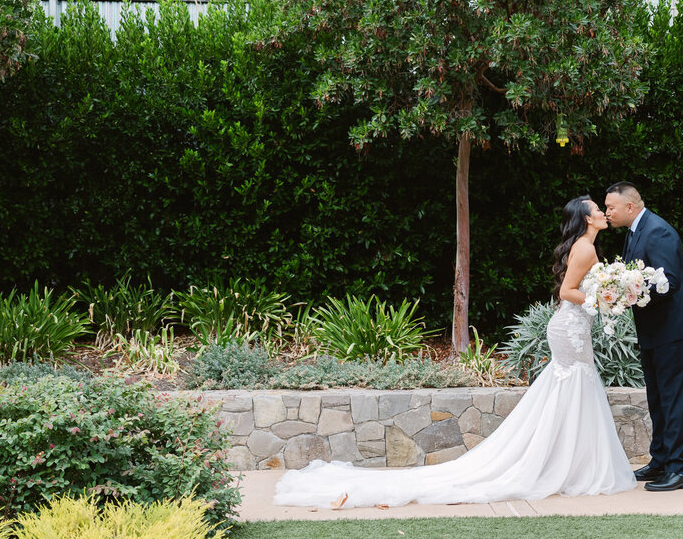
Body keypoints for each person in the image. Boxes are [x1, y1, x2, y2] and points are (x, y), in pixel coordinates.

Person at [272, 195, 636, 508]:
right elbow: (567, 292)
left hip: (574, 329)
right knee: (573, 386)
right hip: (570, 329)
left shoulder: (589, 246)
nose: (604, 213)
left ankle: (566, 462)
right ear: (587, 217)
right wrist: (603, 298)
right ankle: (564, 465)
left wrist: (605, 297)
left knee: (572, 390)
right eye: (598, 209)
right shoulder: (585, 247)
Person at [604, 180, 683, 492]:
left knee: (671, 399)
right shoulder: (635, 231)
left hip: (672, 329)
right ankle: (660, 460)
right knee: (657, 398)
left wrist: (629, 292)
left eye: (611, 207)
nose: (607, 212)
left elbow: (668, 282)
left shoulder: (658, 231)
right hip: (652, 328)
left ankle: (678, 470)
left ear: (630, 207)